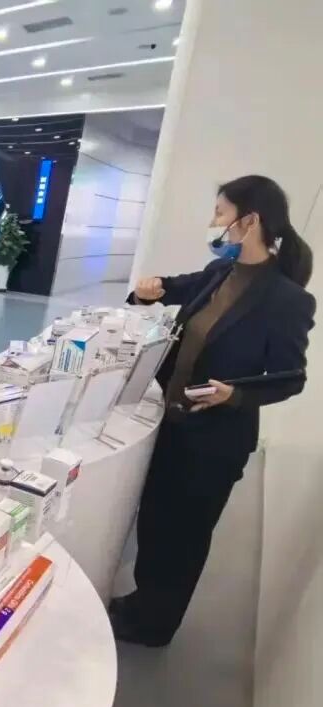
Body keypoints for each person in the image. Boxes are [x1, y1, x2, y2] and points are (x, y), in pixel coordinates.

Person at [112, 175, 315, 646]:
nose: (214, 222)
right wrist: (147, 290)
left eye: (221, 213)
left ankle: (157, 626)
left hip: (215, 442)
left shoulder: (287, 300)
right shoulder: (218, 272)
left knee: (184, 536)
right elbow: (171, 288)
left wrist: (234, 394)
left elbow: (291, 377)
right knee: (156, 522)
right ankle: (143, 602)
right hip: (174, 422)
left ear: (250, 221)